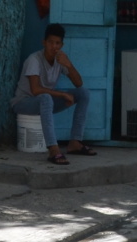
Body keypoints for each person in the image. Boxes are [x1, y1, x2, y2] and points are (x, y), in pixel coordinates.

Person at [12, 24, 95, 164]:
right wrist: (62, 95)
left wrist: (68, 65)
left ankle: (75, 142)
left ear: (62, 45)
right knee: (45, 97)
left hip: (46, 103)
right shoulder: (34, 59)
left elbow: (79, 83)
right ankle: (53, 149)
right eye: (50, 42)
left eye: (57, 43)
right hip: (24, 102)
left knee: (83, 93)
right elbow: (35, 90)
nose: (54, 47)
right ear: (44, 42)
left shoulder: (60, 60)